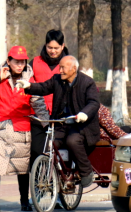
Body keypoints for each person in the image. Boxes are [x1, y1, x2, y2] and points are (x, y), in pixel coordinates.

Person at [0, 46, 48, 212]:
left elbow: (38, 103)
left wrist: (47, 123)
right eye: (16, 61)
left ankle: (24, 201)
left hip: (20, 127)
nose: (20, 65)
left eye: (22, 62)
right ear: (8, 61)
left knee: (22, 166)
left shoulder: (30, 79)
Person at [18, 55, 100, 188]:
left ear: (74, 68)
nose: (60, 70)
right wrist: (29, 86)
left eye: (63, 67)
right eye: (59, 67)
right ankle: (58, 176)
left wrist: (84, 113)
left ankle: (86, 171)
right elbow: (44, 87)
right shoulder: (57, 80)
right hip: (61, 124)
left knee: (72, 141)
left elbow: (94, 102)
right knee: (51, 144)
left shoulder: (87, 82)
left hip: (81, 126)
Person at [29, 30, 69, 165]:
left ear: (63, 46)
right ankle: (38, 182)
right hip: (38, 116)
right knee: (36, 150)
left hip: (61, 116)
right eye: (49, 47)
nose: (53, 51)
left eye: (56, 48)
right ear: (45, 45)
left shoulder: (70, 63)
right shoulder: (34, 63)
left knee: (61, 152)